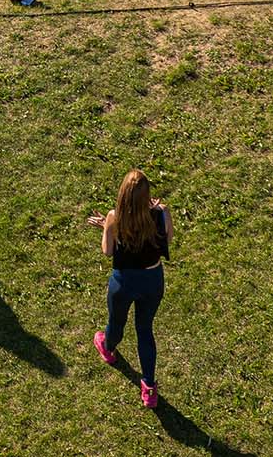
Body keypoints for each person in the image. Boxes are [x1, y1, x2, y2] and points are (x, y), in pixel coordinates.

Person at [86, 169, 170, 410]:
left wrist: (107, 226)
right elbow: (167, 239)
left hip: (124, 282)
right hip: (152, 280)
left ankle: (109, 348)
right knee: (144, 329)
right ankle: (149, 388)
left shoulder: (114, 217)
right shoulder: (161, 213)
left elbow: (108, 251)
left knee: (116, 322)